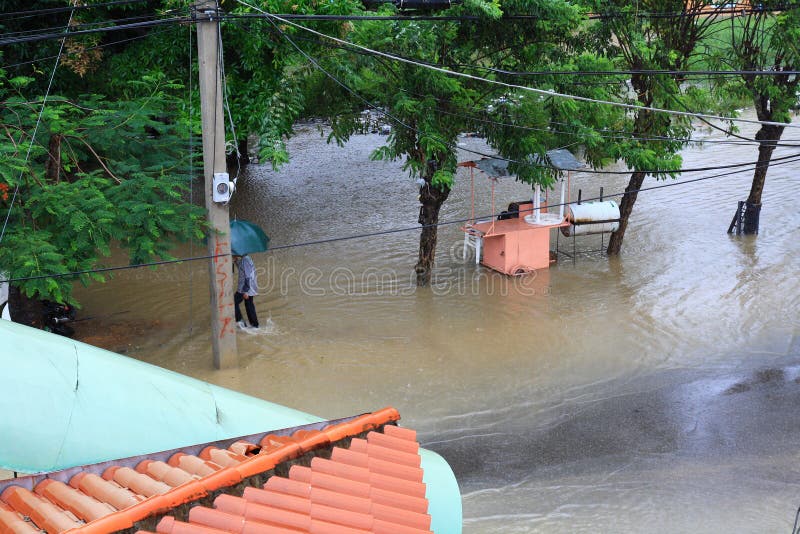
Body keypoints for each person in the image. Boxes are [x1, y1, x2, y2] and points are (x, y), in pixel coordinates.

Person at [233, 253, 259, 328]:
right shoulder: (245, 259)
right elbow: (243, 270)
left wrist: (245, 291)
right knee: (249, 304)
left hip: (245, 287)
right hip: (249, 287)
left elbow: (247, 276)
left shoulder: (245, 260)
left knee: (233, 302)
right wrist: (236, 261)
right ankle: (254, 325)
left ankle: (241, 322)